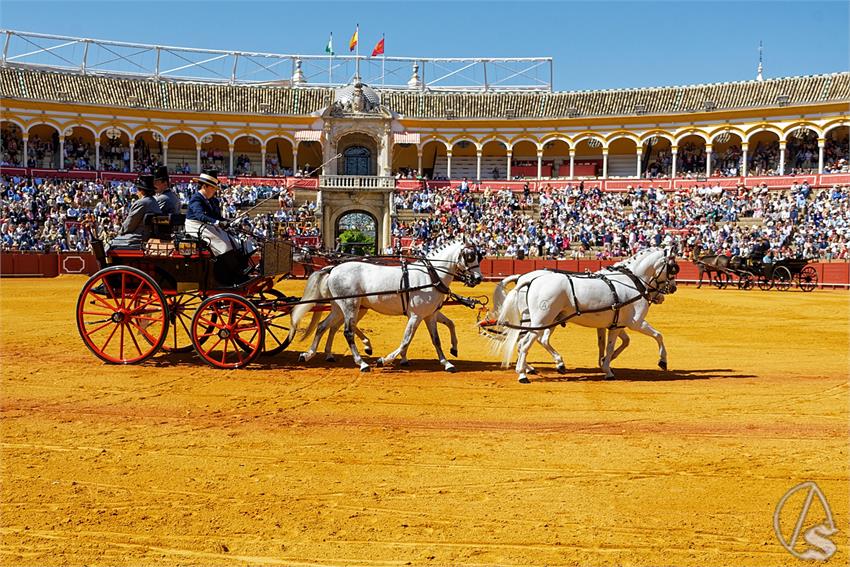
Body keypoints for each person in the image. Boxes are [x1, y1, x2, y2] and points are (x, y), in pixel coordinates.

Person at [185, 170, 250, 285]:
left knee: (234, 241)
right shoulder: (196, 198)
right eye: (213, 188)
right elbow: (200, 215)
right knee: (223, 244)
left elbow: (216, 216)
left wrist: (227, 222)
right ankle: (226, 277)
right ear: (204, 186)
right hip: (195, 226)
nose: (215, 191)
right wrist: (217, 222)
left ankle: (238, 271)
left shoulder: (211, 200)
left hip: (207, 226)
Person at [108, 174, 162, 249]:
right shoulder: (154, 202)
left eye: (138, 190)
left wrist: (119, 233)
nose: (137, 192)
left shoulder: (141, 203)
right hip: (149, 236)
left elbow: (129, 225)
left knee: (110, 244)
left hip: (138, 238)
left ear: (142, 191)